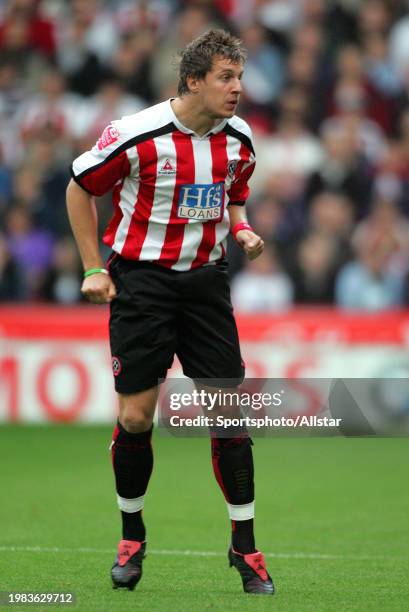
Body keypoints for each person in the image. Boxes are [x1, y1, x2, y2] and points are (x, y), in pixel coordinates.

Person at [66, 29, 274, 596]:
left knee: (229, 417)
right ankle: (131, 538)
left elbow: (234, 193)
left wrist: (244, 227)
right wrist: (92, 267)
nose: (237, 89)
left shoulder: (239, 139)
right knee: (136, 418)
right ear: (193, 80)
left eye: (239, 77)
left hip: (206, 285)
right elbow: (79, 186)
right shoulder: (137, 134)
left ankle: (246, 548)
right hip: (142, 284)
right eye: (225, 78)